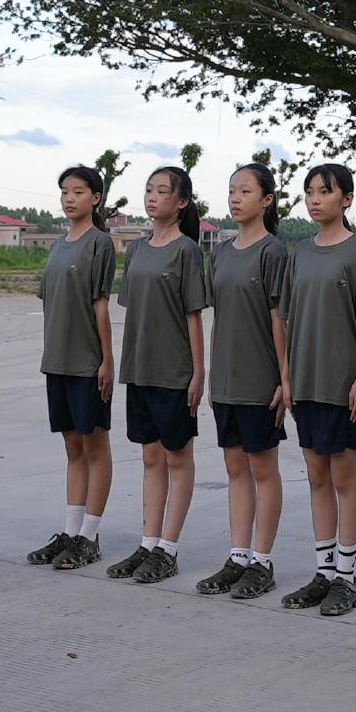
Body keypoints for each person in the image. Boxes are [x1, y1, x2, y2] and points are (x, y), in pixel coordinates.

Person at [279, 163, 356, 617]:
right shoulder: (297, 252)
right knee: (316, 476)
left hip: (341, 382)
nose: (315, 199)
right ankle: (323, 571)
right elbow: (285, 318)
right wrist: (286, 376)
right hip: (305, 380)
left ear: (347, 200)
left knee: (343, 477)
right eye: (309, 191)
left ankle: (347, 576)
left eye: (325, 191)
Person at [105, 166, 211, 585]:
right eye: (149, 190)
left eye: (162, 191)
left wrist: (198, 372)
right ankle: (148, 542)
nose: (152, 197)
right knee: (150, 457)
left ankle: (168, 547)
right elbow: (134, 311)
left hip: (175, 371)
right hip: (140, 368)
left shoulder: (187, 251)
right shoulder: (136, 250)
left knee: (177, 458)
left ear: (181, 202)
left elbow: (193, 316)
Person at [197, 162, 293, 601]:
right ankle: (238, 556)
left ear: (266, 201)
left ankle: (262, 560)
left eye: (246, 191)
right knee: (235, 468)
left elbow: (280, 321)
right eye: (232, 190)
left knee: (262, 469)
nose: (236, 198)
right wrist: (213, 376)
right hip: (227, 381)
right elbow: (218, 320)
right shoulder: (221, 252)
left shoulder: (273, 252)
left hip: (260, 382)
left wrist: (284, 378)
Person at [28, 165, 118, 571]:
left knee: (94, 445)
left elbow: (101, 305)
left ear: (95, 199)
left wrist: (106, 360)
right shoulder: (58, 244)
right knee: (72, 447)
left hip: (87, 363)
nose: (69, 198)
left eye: (78, 192)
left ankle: (89, 535)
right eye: (64, 191)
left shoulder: (100, 244)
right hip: (58, 362)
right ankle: (70, 530)